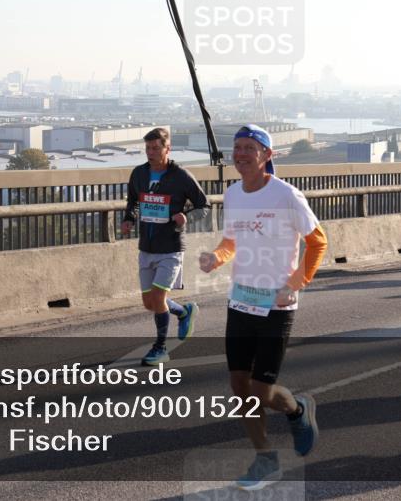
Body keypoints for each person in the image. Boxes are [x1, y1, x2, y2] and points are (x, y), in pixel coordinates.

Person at [198, 124, 328, 491]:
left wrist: (295, 284)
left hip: (276, 304)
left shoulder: (287, 195)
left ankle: (297, 409)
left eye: (249, 148)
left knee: (261, 390)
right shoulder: (233, 193)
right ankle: (265, 459)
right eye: (236, 148)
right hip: (241, 300)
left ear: (267, 155)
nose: (240, 154)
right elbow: (231, 241)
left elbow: (318, 243)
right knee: (239, 385)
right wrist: (217, 258)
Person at [121, 128, 209, 366]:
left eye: (155, 148)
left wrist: (187, 216)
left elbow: (204, 205)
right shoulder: (139, 173)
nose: (150, 152)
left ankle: (160, 348)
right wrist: (129, 218)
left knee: (159, 297)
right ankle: (183, 312)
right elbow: (133, 201)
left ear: (167, 149)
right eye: (147, 148)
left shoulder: (181, 176)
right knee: (149, 303)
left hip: (171, 247)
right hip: (147, 246)